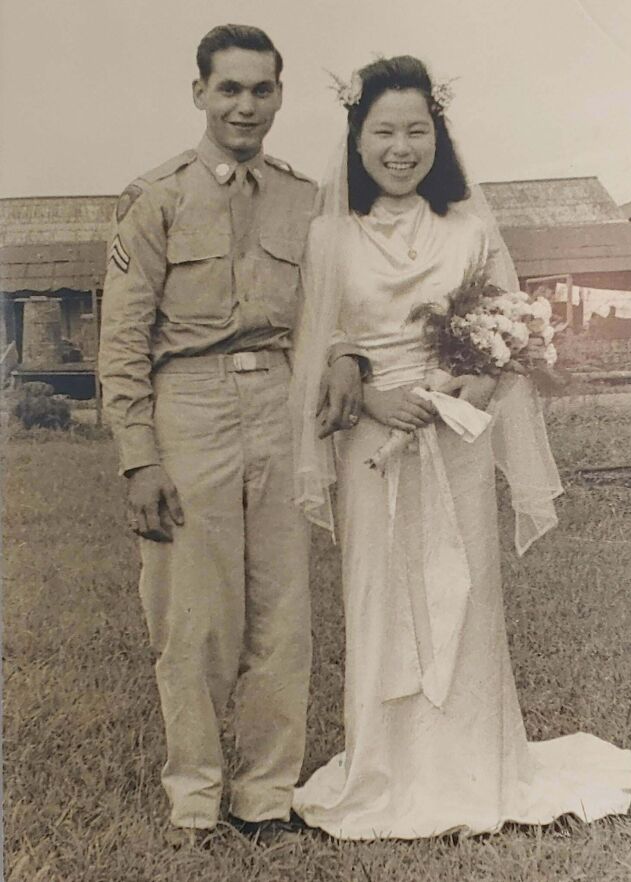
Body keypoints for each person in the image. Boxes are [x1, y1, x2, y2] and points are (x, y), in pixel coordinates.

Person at [290, 55, 631, 840]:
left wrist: (481, 379)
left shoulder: (468, 228)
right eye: (384, 132)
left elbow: (515, 330)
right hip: (373, 440)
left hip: (455, 437)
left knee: (464, 598)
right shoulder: (328, 235)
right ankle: (386, 771)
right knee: (379, 597)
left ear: (437, 135)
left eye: (416, 131)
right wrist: (365, 390)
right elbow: (317, 341)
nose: (401, 149)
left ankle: (473, 765)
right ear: (357, 140)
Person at [98, 24, 363, 846]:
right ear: (200, 94)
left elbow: (335, 304)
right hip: (189, 407)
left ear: (279, 95)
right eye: (230, 89)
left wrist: (350, 355)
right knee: (193, 620)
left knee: (283, 616)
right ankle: (195, 801)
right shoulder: (156, 198)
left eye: (262, 90)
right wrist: (141, 460)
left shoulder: (304, 195)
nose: (246, 105)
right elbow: (121, 344)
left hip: (281, 407)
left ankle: (265, 799)